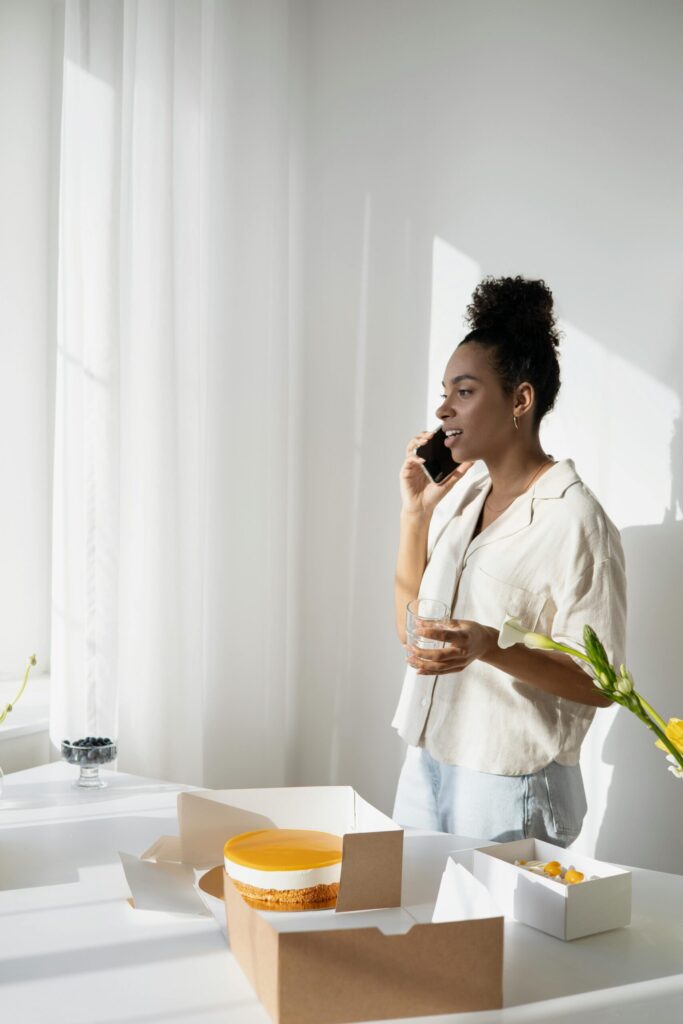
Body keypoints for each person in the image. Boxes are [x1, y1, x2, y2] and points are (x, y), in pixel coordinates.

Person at [391, 275, 626, 845]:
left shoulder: (576, 520)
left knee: (498, 938)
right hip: (426, 760)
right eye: (444, 391)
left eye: (464, 392)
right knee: (421, 929)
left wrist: (492, 646)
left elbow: (605, 684)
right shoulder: (467, 496)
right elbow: (411, 633)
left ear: (521, 399)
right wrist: (415, 517)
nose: (444, 408)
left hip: (509, 780)